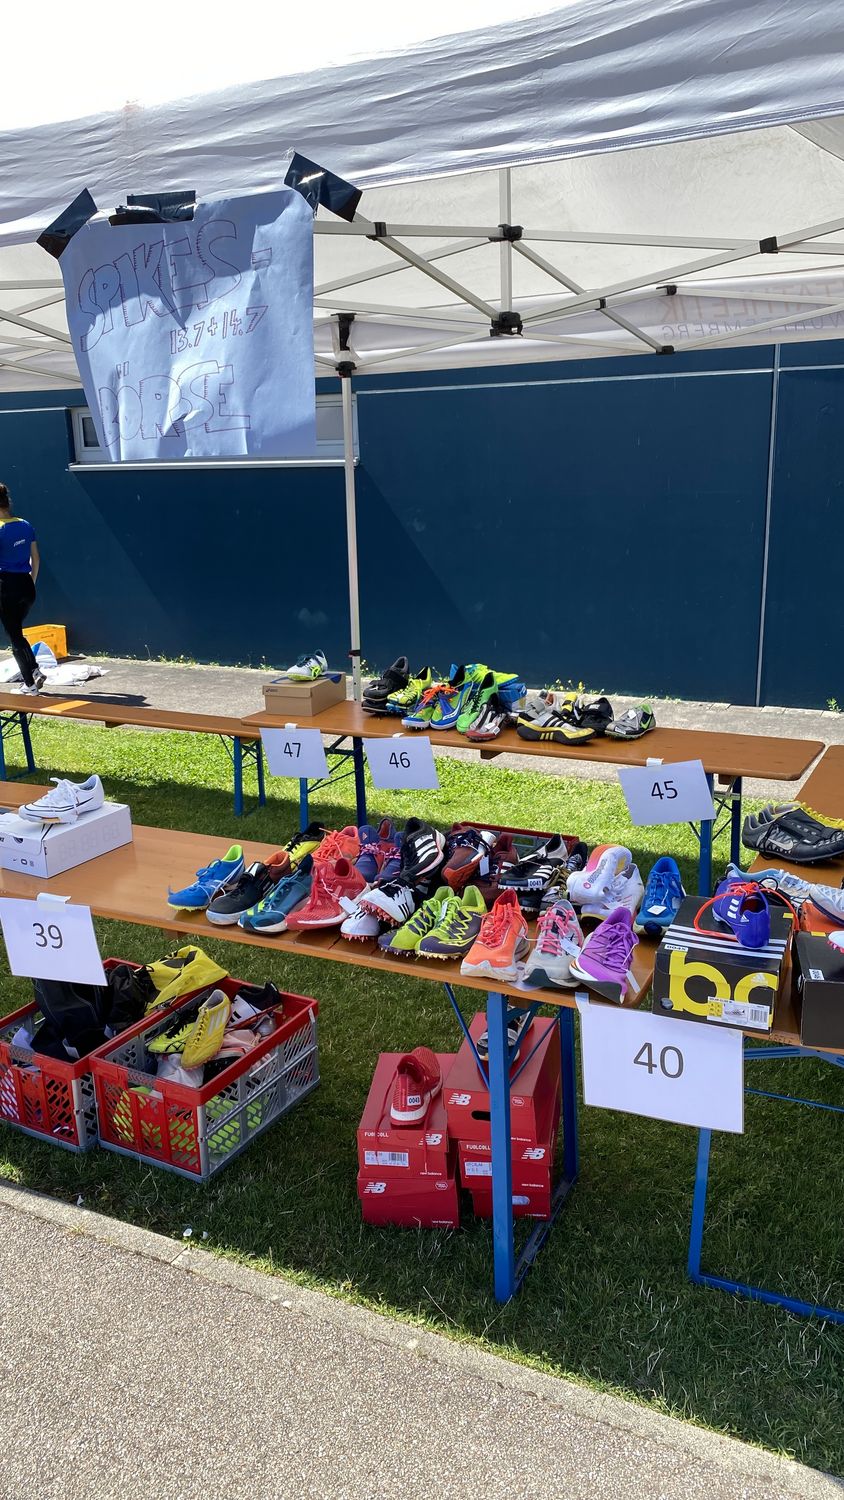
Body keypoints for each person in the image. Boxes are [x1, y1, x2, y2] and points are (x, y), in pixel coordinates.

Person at [0, 482, 43, 695]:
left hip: (6, 587)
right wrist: (30, 582)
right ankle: (33, 672)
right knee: (17, 632)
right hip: (26, 586)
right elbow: (36, 558)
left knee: (14, 636)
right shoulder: (25, 525)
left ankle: (30, 683)